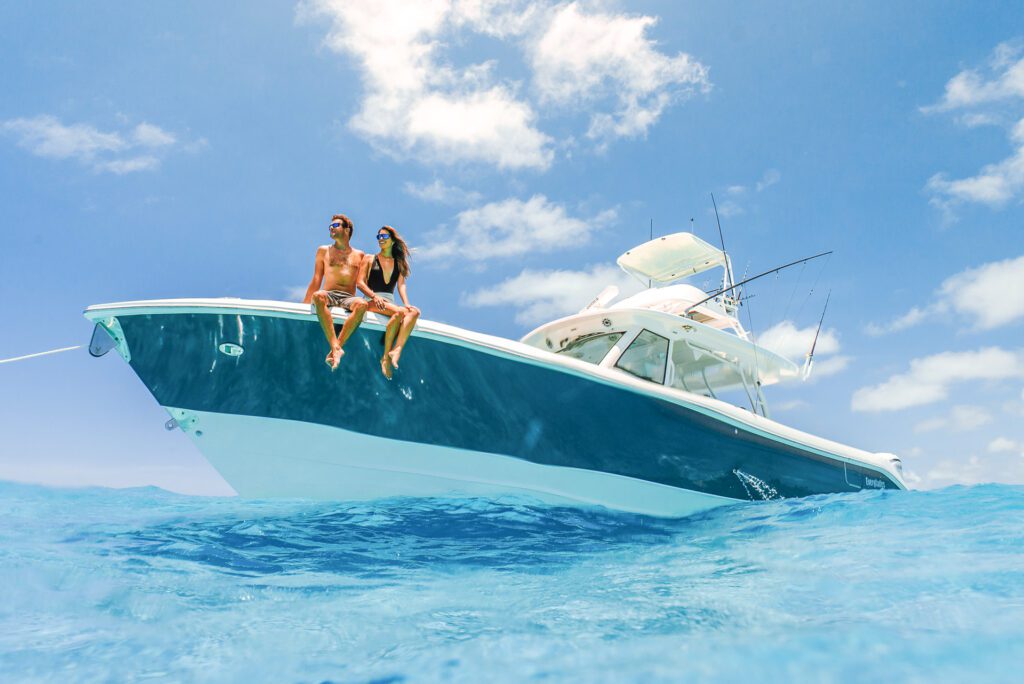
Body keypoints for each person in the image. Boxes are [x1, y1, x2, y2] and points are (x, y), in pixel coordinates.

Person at [302, 214, 385, 371]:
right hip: (329, 294)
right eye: (330, 227)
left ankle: (337, 347)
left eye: (335, 226)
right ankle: (335, 345)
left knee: (361, 304)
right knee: (318, 296)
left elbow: (364, 282)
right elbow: (316, 279)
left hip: (349, 298)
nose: (331, 229)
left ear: (347, 230)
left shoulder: (360, 255)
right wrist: (304, 307)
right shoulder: (323, 250)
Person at [365, 225, 420, 378]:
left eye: (384, 236)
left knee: (414, 312)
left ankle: (396, 350)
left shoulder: (399, 263)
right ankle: (385, 358)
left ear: (393, 240)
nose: (380, 239)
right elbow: (360, 283)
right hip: (371, 300)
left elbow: (401, 285)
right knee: (400, 312)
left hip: (390, 303)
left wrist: (406, 303)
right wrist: (374, 297)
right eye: (378, 237)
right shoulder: (370, 259)